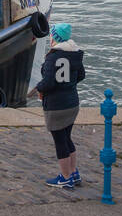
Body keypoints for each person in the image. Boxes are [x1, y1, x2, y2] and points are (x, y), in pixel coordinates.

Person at [28, 22, 86, 189]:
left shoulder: (52, 57)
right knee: (67, 138)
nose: (50, 37)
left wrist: (39, 88)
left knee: (60, 142)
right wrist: (68, 84)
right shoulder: (75, 54)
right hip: (72, 103)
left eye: (52, 35)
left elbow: (48, 83)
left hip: (56, 106)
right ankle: (74, 173)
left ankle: (65, 177)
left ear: (55, 37)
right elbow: (81, 75)